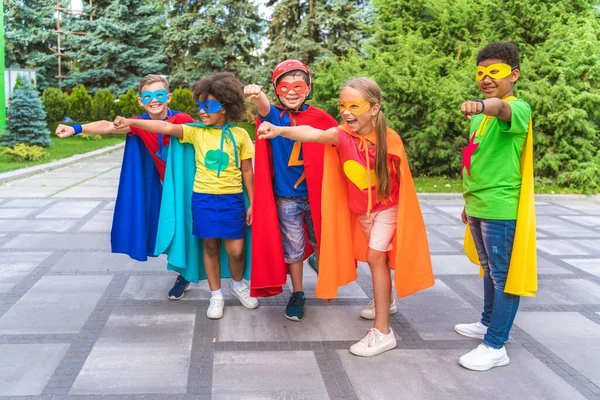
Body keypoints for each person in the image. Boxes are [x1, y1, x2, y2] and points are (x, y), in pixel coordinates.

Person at [257, 77, 433, 357]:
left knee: (376, 257)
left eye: (355, 105)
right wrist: (279, 130)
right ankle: (385, 301)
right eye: (343, 105)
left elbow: (404, 185)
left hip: (387, 209)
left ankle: (383, 331)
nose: (346, 111)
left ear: (374, 109)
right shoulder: (341, 135)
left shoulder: (391, 139)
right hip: (362, 212)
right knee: (379, 258)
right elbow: (311, 134)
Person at [114, 72, 258, 319]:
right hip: (202, 199)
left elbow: (247, 170)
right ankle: (216, 295)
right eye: (200, 106)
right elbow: (165, 126)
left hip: (232, 200)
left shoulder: (240, 135)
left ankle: (237, 285)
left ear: (225, 108)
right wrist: (133, 122)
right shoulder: (196, 132)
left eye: (209, 106)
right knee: (210, 248)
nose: (202, 111)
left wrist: (253, 203)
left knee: (236, 251)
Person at [56, 75, 197, 300]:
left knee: (188, 227)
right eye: (148, 96)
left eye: (159, 95)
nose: (154, 100)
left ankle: (190, 275)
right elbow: (108, 126)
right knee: (168, 227)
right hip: (162, 184)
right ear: (141, 101)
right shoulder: (137, 123)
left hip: (189, 184)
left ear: (168, 97)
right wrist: (76, 128)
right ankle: (183, 273)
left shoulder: (182, 118)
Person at [456, 42, 537, 371]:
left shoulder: (518, 108)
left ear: (513, 75)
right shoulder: (479, 120)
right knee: (489, 270)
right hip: (479, 203)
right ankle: (487, 322)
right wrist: (468, 201)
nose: (486, 78)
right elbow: (478, 156)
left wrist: (480, 104)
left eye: (495, 72)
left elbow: (499, 109)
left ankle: (495, 344)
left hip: (501, 207)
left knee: (503, 276)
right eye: (481, 73)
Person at [244, 60, 338, 321]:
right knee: (293, 248)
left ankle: (321, 267)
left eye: (298, 86)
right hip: (287, 197)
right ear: (277, 91)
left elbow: (340, 140)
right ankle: (297, 292)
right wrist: (257, 94)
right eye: (284, 87)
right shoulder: (275, 115)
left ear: (308, 88)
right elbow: (263, 107)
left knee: (321, 240)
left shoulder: (320, 118)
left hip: (318, 195)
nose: (292, 92)